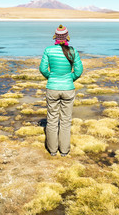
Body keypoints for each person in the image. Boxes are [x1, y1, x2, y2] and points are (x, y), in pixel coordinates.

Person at [39, 24, 83, 156]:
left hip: (52, 88)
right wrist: (70, 79)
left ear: (55, 37)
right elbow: (79, 71)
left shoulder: (48, 50)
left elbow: (42, 69)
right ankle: (64, 151)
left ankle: (52, 150)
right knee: (65, 120)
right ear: (67, 37)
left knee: (51, 119)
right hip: (68, 89)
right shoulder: (73, 51)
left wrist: (51, 77)